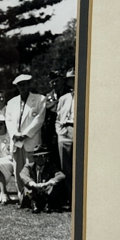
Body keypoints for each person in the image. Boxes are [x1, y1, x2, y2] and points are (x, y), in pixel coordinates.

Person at [5, 73, 46, 198]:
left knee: (31, 169)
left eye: (24, 84)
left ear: (29, 85)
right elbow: (9, 121)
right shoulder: (11, 102)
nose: (22, 87)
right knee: (18, 169)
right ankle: (22, 196)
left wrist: (25, 134)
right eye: (19, 85)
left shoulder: (40, 99)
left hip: (31, 140)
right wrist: (15, 135)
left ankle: (33, 196)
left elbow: (39, 119)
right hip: (17, 141)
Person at [19, 144, 68, 213]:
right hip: (32, 194)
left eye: (43, 156)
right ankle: (33, 204)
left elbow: (61, 175)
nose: (40, 159)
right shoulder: (28, 166)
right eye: (37, 156)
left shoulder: (51, 166)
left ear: (47, 157)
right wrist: (34, 185)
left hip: (47, 193)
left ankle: (48, 204)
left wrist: (47, 183)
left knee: (56, 184)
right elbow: (23, 175)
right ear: (34, 158)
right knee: (26, 187)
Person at [55, 68, 75, 205]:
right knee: (66, 168)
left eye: (73, 78)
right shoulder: (64, 98)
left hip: (78, 130)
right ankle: (70, 198)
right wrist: (60, 131)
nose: (71, 81)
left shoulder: (86, 95)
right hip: (64, 131)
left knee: (79, 166)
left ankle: (78, 199)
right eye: (69, 79)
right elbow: (58, 117)